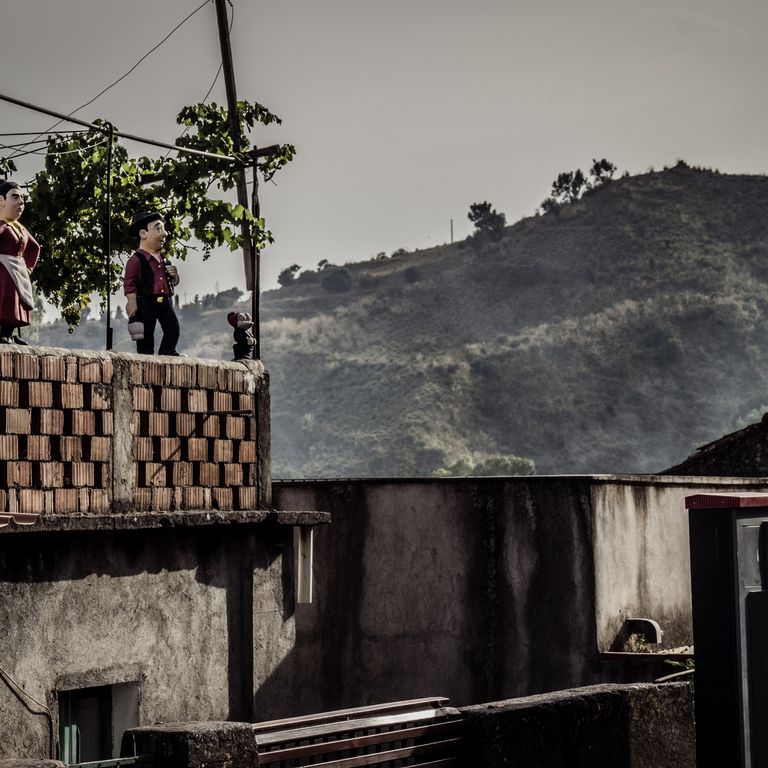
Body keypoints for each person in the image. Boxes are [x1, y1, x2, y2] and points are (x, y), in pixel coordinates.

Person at [123, 211, 181, 356]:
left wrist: (175, 277)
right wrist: (132, 301)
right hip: (147, 301)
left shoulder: (164, 260)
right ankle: (145, 355)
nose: (164, 234)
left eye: (163, 229)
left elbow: (172, 281)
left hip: (165, 300)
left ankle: (168, 351)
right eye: (158, 229)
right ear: (143, 234)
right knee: (146, 332)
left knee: (173, 328)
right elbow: (129, 284)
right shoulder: (136, 261)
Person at [0, 180, 40, 345]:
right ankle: (4, 333)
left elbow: (34, 247)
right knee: (5, 299)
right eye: (15, 197)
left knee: (17, 301)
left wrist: (28, 268)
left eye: (22, 198)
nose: (21, 202)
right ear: (1, 201)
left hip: (18, 272)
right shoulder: (2, 226)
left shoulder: (20, 228)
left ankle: (9, 332)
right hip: (3, 271)